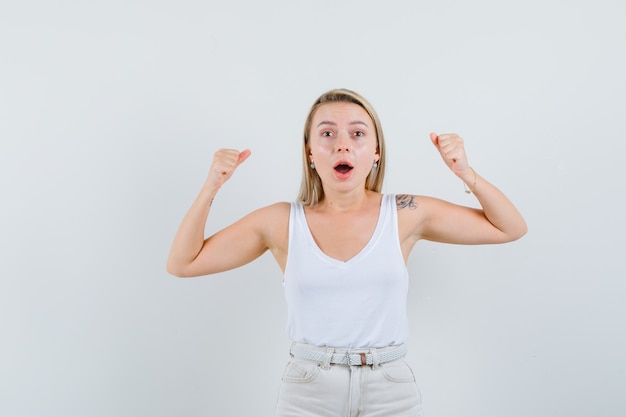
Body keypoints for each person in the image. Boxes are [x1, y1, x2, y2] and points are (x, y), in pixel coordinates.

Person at [166, 88, 527, 417]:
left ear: (375, 152)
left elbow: (510, 227)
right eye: (327, 134)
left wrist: (466, 173)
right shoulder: (279, 222)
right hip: (308, 392)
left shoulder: (404, 213)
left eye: (357, 134)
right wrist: (212, 184)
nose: (342, 145)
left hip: (391, 391)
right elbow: (183, 263)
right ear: (309, 151)